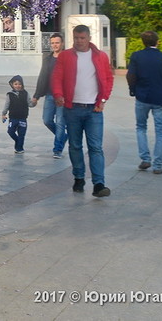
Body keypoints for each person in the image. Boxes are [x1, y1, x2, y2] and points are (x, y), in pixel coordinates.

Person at [52, 24, 114, 197]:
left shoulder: (101, 56)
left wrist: (103, 99)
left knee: (95, 147)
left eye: (82, 38)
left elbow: (108, 79)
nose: (79, 41)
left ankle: (99, 183)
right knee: (75, 145)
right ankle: (79, 177)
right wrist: (58, 94)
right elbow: (57, 77)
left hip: (94, 109)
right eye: (76, 38)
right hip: (72, 108)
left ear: (88, 38)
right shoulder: (65, 56)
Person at [127, 31, 162, 174]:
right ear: (157, 41)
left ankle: (145, 158)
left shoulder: (137, 56)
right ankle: (158, 165)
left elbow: (131, 75)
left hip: (142, 97)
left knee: (141, 127)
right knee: (160, 131)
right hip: (161, 98)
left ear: (143, 42)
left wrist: (133, 90)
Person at [31, 33, 67, 158]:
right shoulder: (48, 59)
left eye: (57, 42)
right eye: (52, 43)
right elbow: (42, 78)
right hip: (50, 95)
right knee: (47, 120)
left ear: (62, 43)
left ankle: (57, 149)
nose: (54, 45)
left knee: (60, 123)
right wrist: (36, 96)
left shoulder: (69, 58)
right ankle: (63, 136)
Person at [2, 75, 33, 153]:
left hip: (23, 118)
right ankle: (17, 141)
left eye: (19, 84)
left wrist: (34, 102)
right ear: (12, 84)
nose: (17, 86)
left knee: (22, 134)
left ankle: (19, 148)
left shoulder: (25, 93)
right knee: (10, 131)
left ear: (22, 84)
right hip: (13, 118)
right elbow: (6, 105)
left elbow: (30, 103)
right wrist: (3, 114)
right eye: (15, 84)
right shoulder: (10, 94)